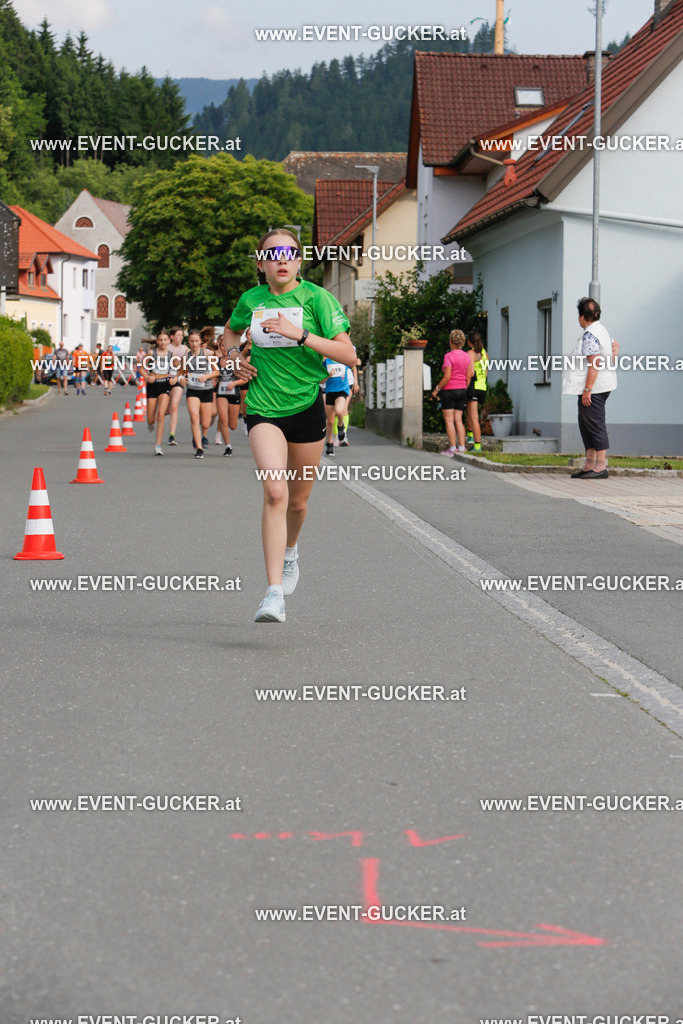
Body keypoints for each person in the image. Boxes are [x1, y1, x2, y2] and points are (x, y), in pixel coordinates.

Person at [222, 228, 355, 623]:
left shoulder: (317, 298)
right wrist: (232, 357)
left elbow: (348, 354)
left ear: (298, 260)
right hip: (263, 407)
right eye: (272, 253)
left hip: (307, 408)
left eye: (290, 253)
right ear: (260, 263)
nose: (282, 259)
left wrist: (302, 335)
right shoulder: (252, 300)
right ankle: (273, 592)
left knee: (297, 502)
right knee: (276, 492)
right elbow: (230, 332)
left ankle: (291, 552)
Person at [563, 297, 618, 480]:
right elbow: (615, 346)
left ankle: (600, 467)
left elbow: (594, 362)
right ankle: (589, 465)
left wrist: (588, 389)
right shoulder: (601, 330)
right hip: (601, 384)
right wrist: (610, 364)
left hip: (593, 388)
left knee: (594, 424)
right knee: (586, 424)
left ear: (582, 316)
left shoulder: (590, 335)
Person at [432, 329, 473, 455]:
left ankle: (452, 448)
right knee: (458, 420)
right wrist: (464, 388)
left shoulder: (448, 356)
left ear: (450, 341)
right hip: (461, 390)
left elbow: (447, 376)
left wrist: (437, 389)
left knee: (449, 420)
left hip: (449, 391)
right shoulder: (467, 356)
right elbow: (470, 374)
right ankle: (461, 447)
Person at [179, 329, 220, 458]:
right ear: (188, 341)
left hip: (206, 390)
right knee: (194, 417)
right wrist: (182, 379)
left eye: (196, 341)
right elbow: (181, 372)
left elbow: (217, 371)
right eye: (191, 341)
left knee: (205, 423)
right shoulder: (185, 356)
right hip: (192, 390)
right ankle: (199, 448)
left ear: (201, 341)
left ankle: (201, 436)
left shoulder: (208, 354)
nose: (194, 343)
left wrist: (206, 376)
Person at [141, 329, 178, 455]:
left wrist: (175, 379)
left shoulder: (171, 355)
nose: (163, 342)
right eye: (160, 340)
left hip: (164, 384)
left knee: (161, 414)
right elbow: (141, 368)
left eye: (165, 340)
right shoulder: (151, 353)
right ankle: (150, 423)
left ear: (169, 340)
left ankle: (158, 446)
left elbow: (179, 369)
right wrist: (147, 377)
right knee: (151, 420)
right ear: (157, 341)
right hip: (152, 384)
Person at [216, 334, 248, 456]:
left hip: (234, 394)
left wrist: (234, 383)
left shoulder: (236, 361)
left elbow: (245, 379)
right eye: (222, 346)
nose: (224, 348)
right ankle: (228, 446)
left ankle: (230, 432)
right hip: (221, 393)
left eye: (226, 346)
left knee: (233, 425)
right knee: (223, 419)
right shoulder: (216, 361)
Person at [323, 355, 351, 456]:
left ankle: (340, 424)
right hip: (330, 392)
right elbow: (321, 380)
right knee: (330, 421)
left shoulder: (343, 359)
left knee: (339, 411)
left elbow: (353, 363)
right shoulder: (326, 362)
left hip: (342, 391)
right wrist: (328, 375)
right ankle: (329, 444)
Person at [465, 331, 487, 451]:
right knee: (471, 412)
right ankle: (470, 435)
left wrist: (465, 387)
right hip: (482, 386)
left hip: (473, 385)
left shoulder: (470, 354)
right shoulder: (485, 353)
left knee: (473, 417)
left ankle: (477, 445)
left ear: (469, 342)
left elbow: (470, 373)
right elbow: (486, 371)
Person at [167, 326, 188, 446]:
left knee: (174, 406)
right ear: (172, 337)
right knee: (167, 409)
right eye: (178, 335)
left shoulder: (184, 348)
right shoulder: (167, 348)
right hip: (165, 379)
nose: (180, 337)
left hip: (178, 379)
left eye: (181, 335)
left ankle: (172, 435)